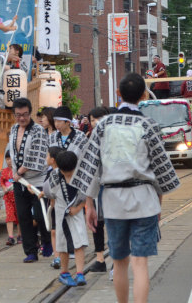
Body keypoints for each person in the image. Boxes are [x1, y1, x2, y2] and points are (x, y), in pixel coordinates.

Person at [71, 73, 180, 303]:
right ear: (143, 95)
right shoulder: (148, 125)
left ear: (118, 94)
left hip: (112, 202)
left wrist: (89, 204)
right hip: (144, 199)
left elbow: (92, 166)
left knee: (119, 261)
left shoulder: (103, 126)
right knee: (140, 263)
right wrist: (157, 204)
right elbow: (160, 170)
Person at [8, 98, 51, 263]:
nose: (21, 118)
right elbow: (12, 153)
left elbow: (37, 156)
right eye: (18, 115)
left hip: (37, 180)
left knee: (40, 215)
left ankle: (47, 240)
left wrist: (20, 171)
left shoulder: (38, 130)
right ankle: (31, 251)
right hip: (19, 181)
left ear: (30, 113)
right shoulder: (13, 130)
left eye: (25, 114)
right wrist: (15, 173)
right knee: (24, 217)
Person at [42, 151, 88, 287]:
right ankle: (64, 272)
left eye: (71, 172)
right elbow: (48, 191)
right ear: (59, 168)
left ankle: (80, 273)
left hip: (77, 212)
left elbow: (89, 195)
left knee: (79, 242)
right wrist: (50, 201)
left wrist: (79, 208)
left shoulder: (82, 175)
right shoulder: (54, 175)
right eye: (65, 172)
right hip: (61, 212)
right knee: (62, 245)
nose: (68, 175)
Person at [86, 106, 110, 272]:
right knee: (97, 223)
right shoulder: (89, 138)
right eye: (93, 120)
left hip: (112, 187)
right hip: (97, 187)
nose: (95, 122)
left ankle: (116, 259)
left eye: (98, 118)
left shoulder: (114, 136)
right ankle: (100, 258)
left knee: (113, 223)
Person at [0, 150, 20, 246]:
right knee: (10, 216)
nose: (9, 161)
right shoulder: (3, 172)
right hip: (8, 198)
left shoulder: (18, 171)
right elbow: (2, 182)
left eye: (11, 159)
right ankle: (11, 237)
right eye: (7, 159)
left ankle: (20, 235)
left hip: (18, 197)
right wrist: (5, 188)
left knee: (20, 217)